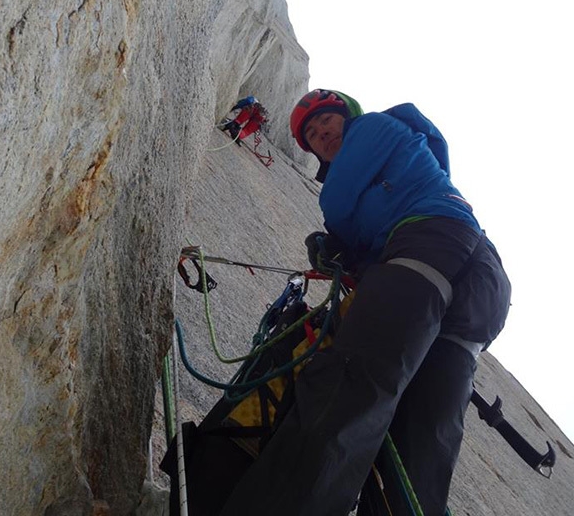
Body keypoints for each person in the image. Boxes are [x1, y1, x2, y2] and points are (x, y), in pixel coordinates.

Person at [218, 89, 511, 516]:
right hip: (480, 289)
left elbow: (334, 204)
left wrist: (338, 244)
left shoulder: (374, 127)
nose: (322, 134)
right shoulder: (410, 173)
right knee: (421, 445)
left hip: (430, 246)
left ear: (347, 116)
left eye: (326, 122)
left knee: (348, 392)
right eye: (313, 135)